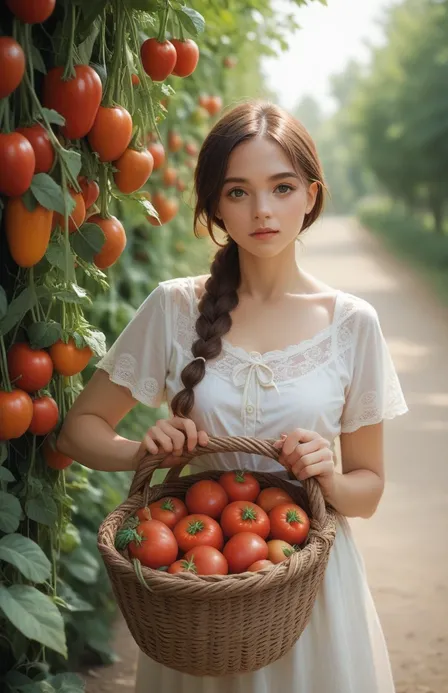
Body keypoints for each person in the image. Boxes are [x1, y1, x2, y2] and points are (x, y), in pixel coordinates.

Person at [57, 100, 408, 693]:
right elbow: (79, 429)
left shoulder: (353, 323)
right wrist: (143, 448)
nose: (263, 210)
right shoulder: (174, 307)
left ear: (312, 196)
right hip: (197, 588)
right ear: (215, 205)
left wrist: (327, 476)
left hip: (310, 583)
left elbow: (368, 490)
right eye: (238, 192)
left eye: (282, 187)